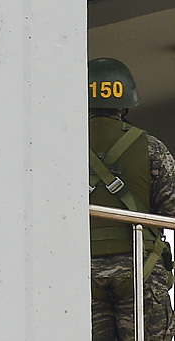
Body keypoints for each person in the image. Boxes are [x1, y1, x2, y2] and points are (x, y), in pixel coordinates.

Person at [89, 57, 175, 340]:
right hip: (141, 269)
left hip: (80, 270)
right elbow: (170, 209)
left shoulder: (56, 148)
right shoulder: (151, 147)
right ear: (125, 102)